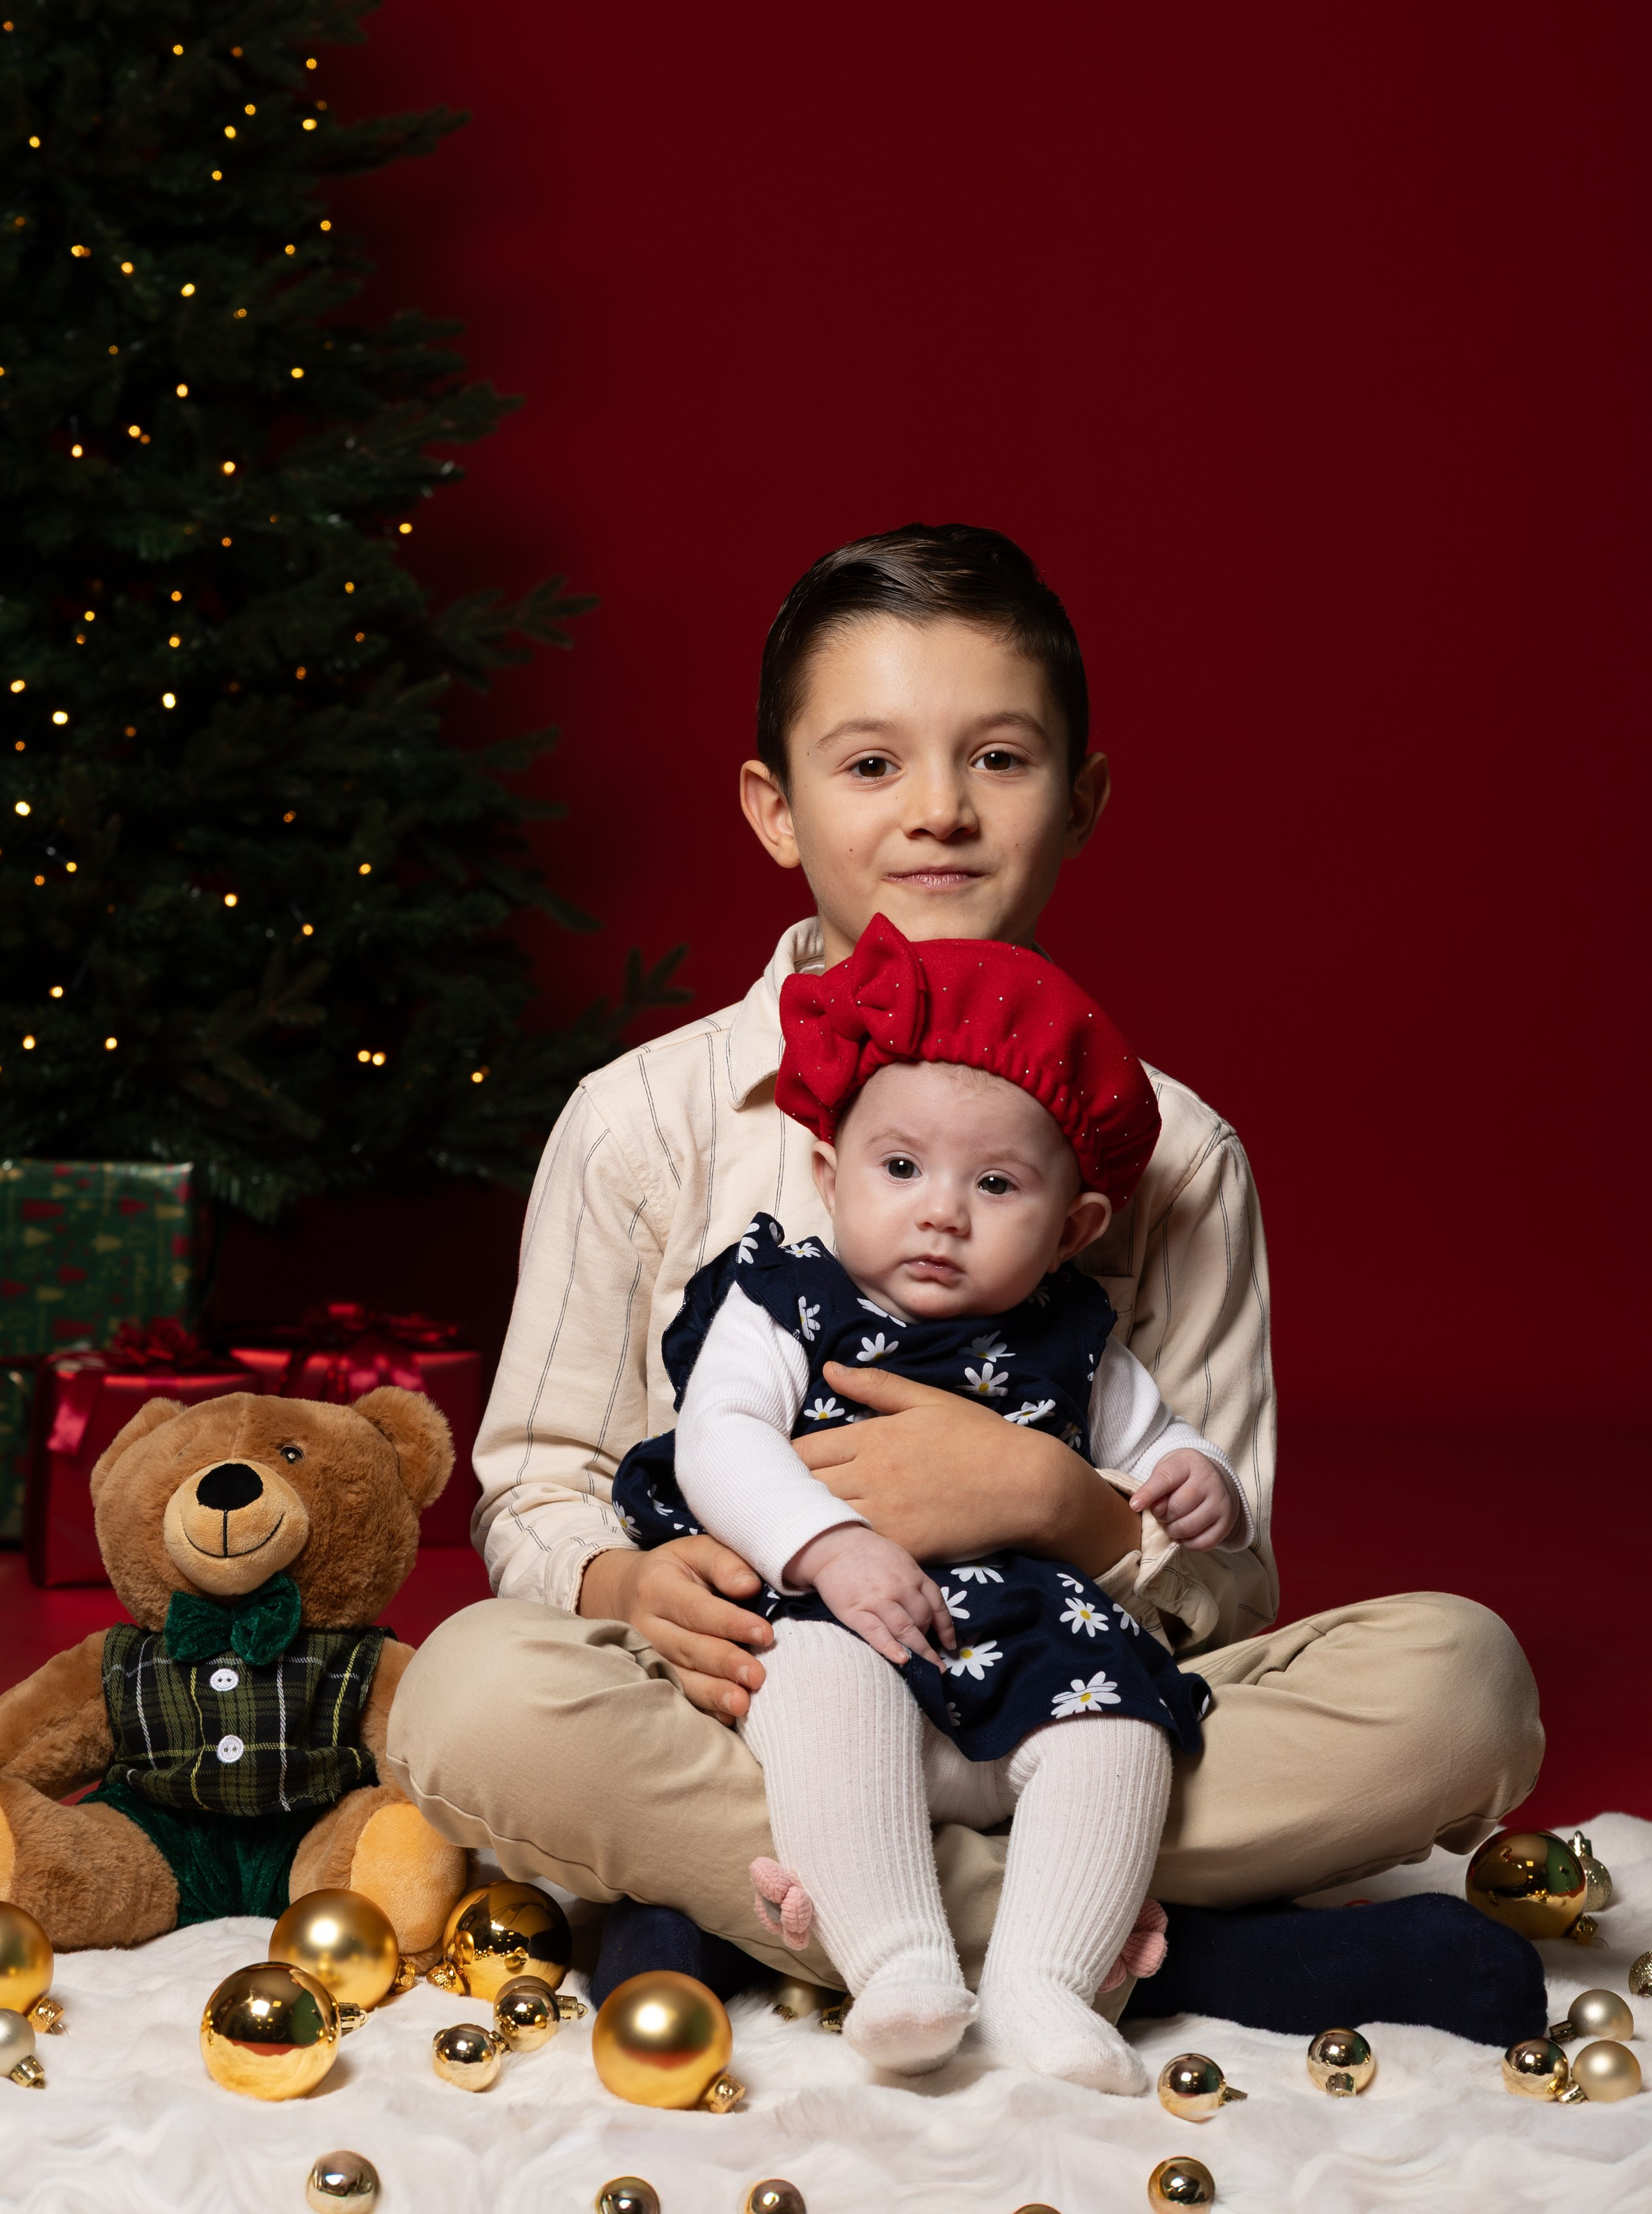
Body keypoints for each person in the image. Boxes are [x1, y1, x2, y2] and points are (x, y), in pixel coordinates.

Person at [386, 523, 1544, 2041]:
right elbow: (536, 1486)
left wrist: (1053, 1499)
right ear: (773, 809)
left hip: (1062, 1697)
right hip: (754, 1699)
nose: (936, 812)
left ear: (1084, 797)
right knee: (468, 1701)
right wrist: (625, 1587)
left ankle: (776, 1913)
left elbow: (1223, 1580)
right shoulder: (642, 1119)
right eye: (869, 765)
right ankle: (1158, 1953)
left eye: (997, 759)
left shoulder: (1178, 1154)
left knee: (1461, 1684)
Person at [621, 913, 1245, 2086]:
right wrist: (831, 1545)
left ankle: (1045, 1985)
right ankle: (902, 1957)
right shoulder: (784, 1304)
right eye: (900, 1169)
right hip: (837, 1634)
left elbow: (1160, 1444)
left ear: (1075, 1230)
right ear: (828, 1172)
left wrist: (1199, 1483)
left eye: (995, 1183)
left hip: (1028, 1654)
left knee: (1126, 1731)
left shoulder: (1076, 1344)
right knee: (807, 1677)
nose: (941, 1210)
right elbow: (718, 1441)